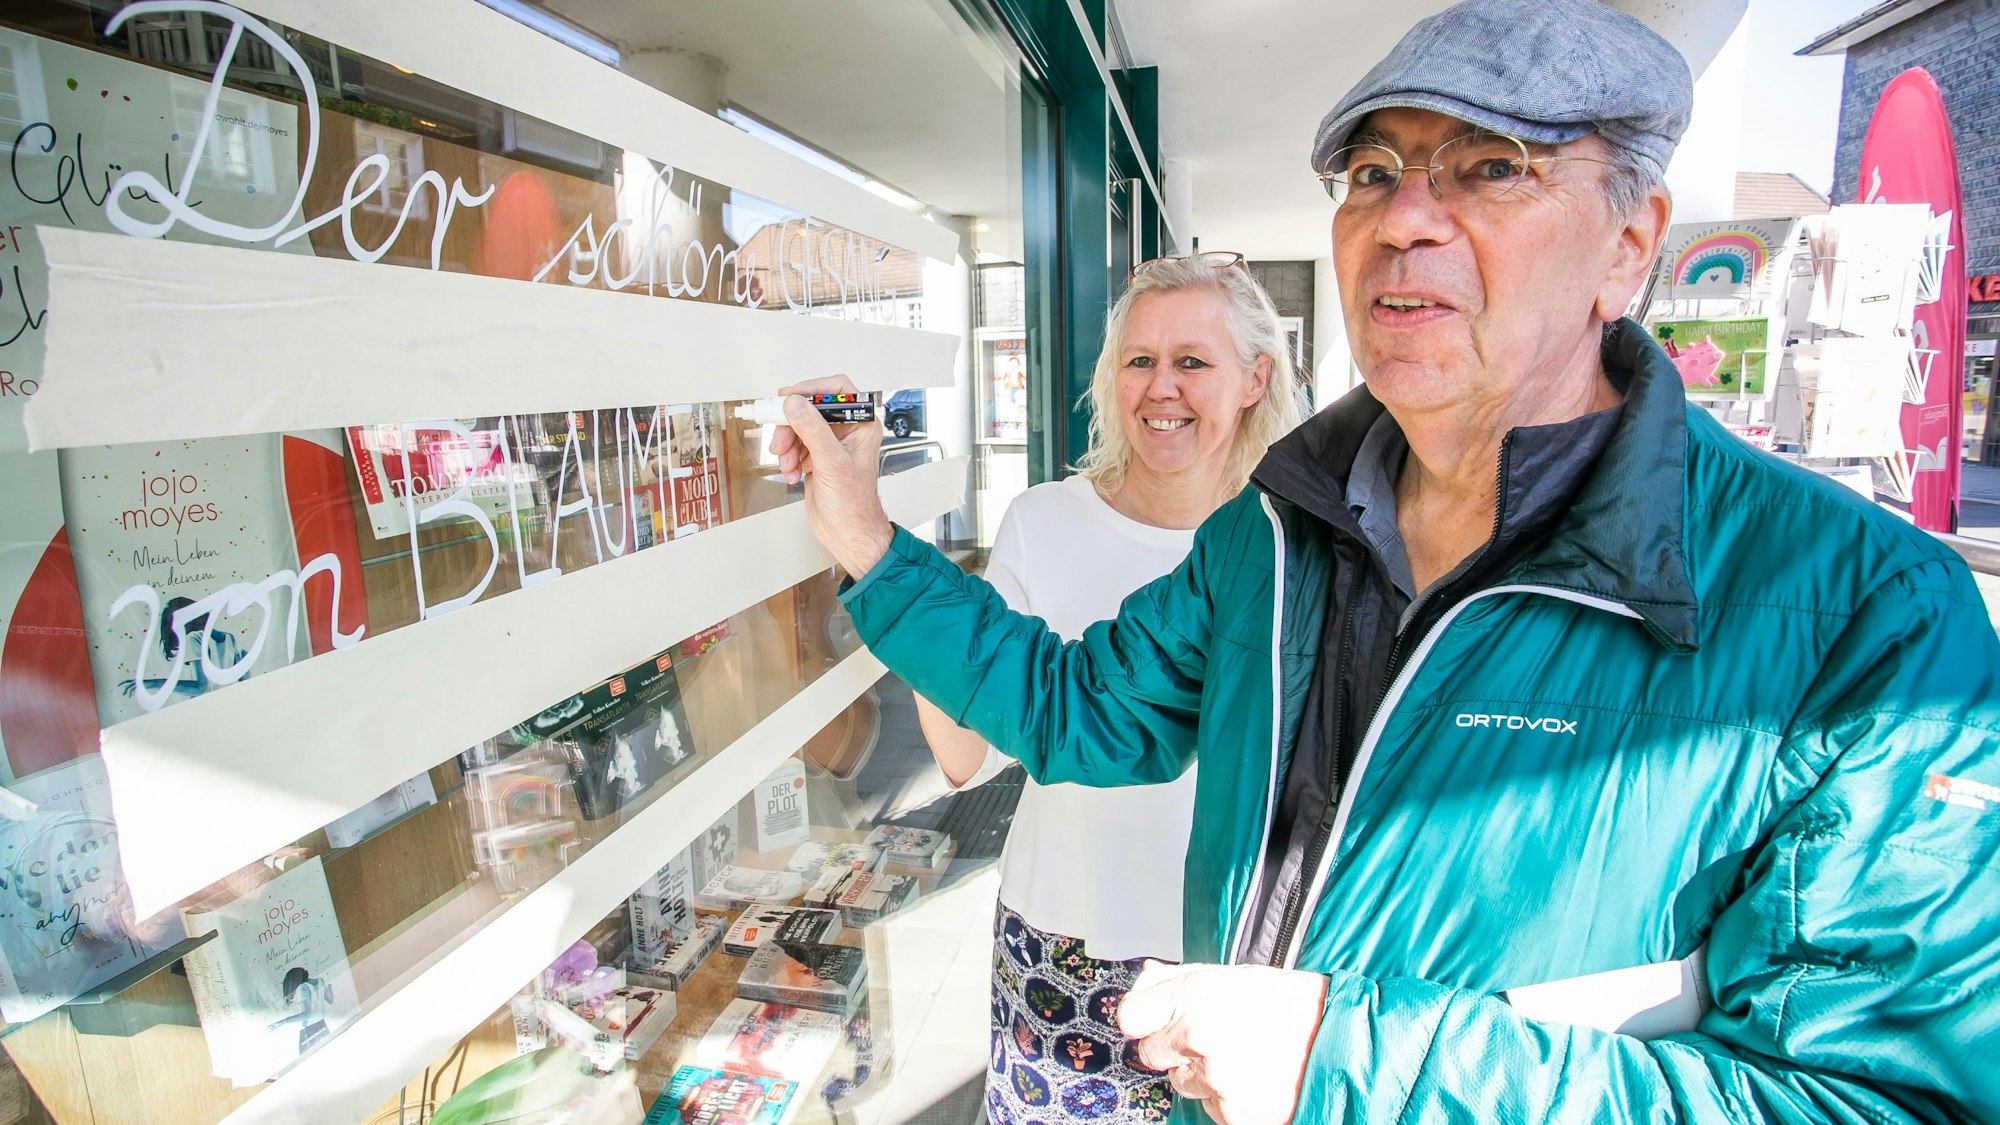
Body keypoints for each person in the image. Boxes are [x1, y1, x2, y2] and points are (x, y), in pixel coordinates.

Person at [772, 0, 2000, 1121]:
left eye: (1487, 168)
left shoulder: (1869, 614)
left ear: (1629, 244)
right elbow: (1079, 710)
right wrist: (862, 537)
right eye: (1371, 173)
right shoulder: (1270, 533)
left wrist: (1340, 1060)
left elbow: (1878, 1098)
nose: (1405, 216)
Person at [912, 255, 1301, 1124]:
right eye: (1139, 360)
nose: (1162, 387)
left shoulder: (1297, 547)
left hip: (1243, 955)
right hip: (1064, 944)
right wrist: (928, 617)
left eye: (1193, 361)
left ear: (1254, 380)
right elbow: (962, 758)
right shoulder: (1043, 522)